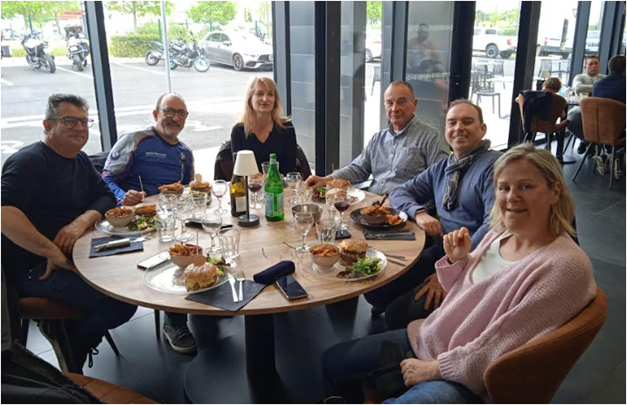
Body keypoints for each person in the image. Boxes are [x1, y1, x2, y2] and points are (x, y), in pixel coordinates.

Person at [322, 143, 597, 404]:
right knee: (331, 362)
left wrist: (434, 369)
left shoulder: (564, 265)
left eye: (526, 186)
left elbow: (501, 345)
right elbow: (464, 295)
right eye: (504, 187)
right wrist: (459, 261)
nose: (512, 197)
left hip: (470, 380)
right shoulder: (500, 233)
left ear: (555, 192)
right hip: (433, 339)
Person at [1, 93, 137, 370]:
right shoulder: (29, 161)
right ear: (47, 125)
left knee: (133, 273)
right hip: (35, 266)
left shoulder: (80, 160)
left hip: (78, 253)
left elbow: (105, 197)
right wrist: (52, 252)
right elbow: (5, 213)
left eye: (84, 122)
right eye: (69, 121)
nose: (80, 128)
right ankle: (73, 343)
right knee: (119, 302)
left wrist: (80, 222)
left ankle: (73, 333)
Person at [365, 100, 502, 323]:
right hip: (441, 247)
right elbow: (399, 192)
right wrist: (419, 213)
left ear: (483, 129)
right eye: (452, 123)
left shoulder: (494, 166)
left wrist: (453, 267)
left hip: (474, 259)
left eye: (467, 122)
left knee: (396, 316)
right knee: (374, 292)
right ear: (445, 130)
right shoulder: (445, 166)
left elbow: (493, 226)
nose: (458, 128)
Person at [102, 93, 197, 354]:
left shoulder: (185, 153)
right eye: (169, 111)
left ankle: (202, 294)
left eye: (181, 113)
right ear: (156, 114)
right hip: (137, 224)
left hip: (170, 218)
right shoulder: (136, 140)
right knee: (175, 251)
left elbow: (186, 189)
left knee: (199, 240)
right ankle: (175, 322)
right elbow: (106, 177)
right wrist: (123, 197)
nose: (175, 118)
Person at [305, 81, 449, 196]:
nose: (395, 108)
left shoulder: (431, 138)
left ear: (414, 104)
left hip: (407, 211)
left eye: (401, 102)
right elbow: (358, 169)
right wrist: (327, 180)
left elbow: (440, 182)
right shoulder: (378, 139)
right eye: (390, 103)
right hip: (372, 209)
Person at [231, 77, 297, 176]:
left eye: (270, 94)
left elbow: (290, 170)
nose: (265, 99)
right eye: (259, 94)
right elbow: (239, 173)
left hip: (280, 184)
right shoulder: (239, 131)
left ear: (275, 100)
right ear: (250, 99)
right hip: (250, 185)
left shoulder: (286, 128)